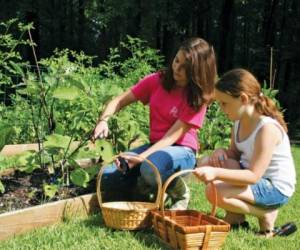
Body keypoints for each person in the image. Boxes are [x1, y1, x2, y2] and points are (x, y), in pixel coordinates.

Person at [92, 37, 217, 209]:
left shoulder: (197, 98)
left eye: (184, 68)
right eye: (176, 60)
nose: (176, 68)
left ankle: (180, 191)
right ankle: (147, 188)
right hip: (155, 146)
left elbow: (170, 138)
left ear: (197, 72)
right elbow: (119, 101)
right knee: (108, 176)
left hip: (182, 150)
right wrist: (103, 121)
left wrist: (140, 158)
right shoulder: (157, 80)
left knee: (150, 169)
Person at [195, 68, 296, 236]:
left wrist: (215, 172)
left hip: (274, 187)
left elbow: (254, 176)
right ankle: (236, 217)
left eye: (224, 103)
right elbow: (234, 155)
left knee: (213, 191)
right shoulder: (238, 123)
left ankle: (265, 213)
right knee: (208, 161)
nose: (221, 108)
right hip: (253, 177)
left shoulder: (267, 129)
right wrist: (221, 151)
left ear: (243, 99)